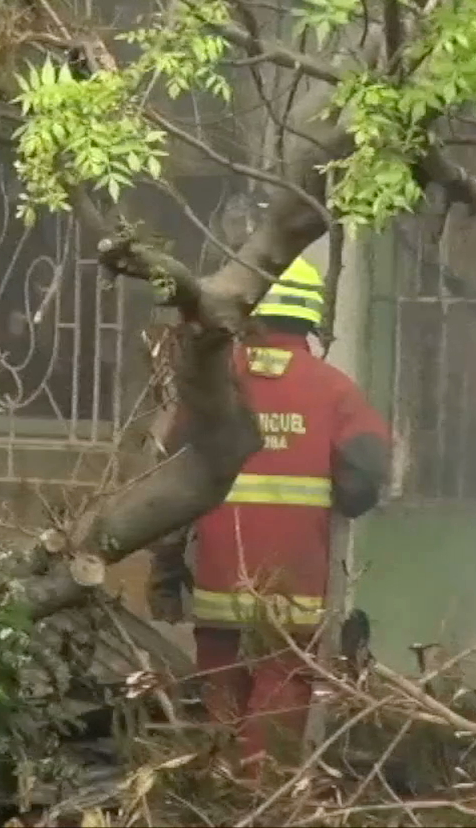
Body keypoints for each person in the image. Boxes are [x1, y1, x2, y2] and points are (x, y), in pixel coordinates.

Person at [147, 255, 391, 765]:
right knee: (280, 699)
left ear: (246, 314)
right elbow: (365, 481)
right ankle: (262, 801)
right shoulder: (334, 390)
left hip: (217, 583)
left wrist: (165, 572)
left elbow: (164, 485)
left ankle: (217, 791)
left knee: (221, 696)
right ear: (310, 318)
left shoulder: (211, 389)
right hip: (294, 592)